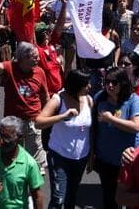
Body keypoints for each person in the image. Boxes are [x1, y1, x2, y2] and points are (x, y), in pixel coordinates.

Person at [0, 35, 49, 174]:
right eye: (34, 57)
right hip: (13, 123)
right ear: (23, 58)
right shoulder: (10, 68)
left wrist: (44, 118)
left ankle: (32, 188)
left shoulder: (40, 72)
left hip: (32, 122)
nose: (38, 59)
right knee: (11, 157)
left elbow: (45, 96)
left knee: (36, 162)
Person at [35, 69, 92, 209]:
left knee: (71, 196)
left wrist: (92, 155)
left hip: (81, 158)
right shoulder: (58, 99)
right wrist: (62, 117)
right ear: (76, 85)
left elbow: (91, 130)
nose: (89, 86)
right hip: (59, 156)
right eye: (86, 84)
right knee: (58, 198)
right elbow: (39, 122)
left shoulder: (89, 100)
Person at [91, 66, 139, 209]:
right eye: (107, 81)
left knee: (130, 200)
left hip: (129, 162)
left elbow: (137, 126)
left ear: (123, 83)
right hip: (106, 161)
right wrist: (91, 155)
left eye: (114, 82)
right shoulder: (100, 98)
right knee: (109, 200)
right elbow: (93, 128)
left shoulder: (134, 100)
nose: (110, 85)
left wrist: (111, 120)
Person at [0, 116, 44, 209]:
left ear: (19, 138)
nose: (2, 141)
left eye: (7, 137)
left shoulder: (29, 164)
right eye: (1, 135)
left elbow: (37, 196)